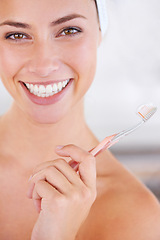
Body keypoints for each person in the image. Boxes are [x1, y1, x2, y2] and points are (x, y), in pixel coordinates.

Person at [0, 0, 160, 239]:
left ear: (99, 33)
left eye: (69, 30)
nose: (43, 66)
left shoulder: (138, 217)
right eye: (16, 35)